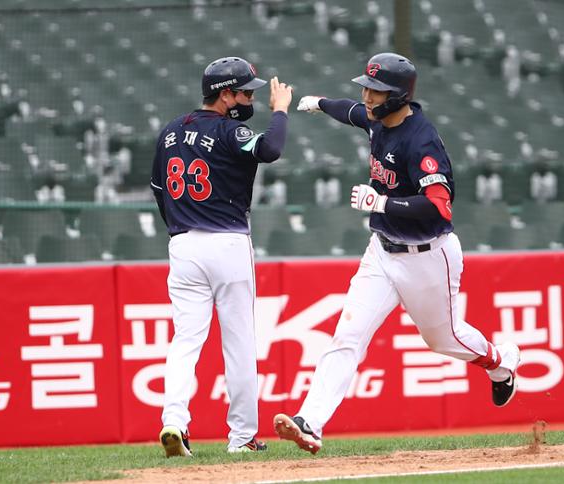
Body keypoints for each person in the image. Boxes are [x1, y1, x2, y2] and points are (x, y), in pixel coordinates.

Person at [273, 53, 521, 454]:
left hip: (427, 255)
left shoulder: (420, 138)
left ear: (399, 96)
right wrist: (319, 103)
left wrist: (382, 203)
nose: (368, 96)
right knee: (347, 335)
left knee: (443, 340)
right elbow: (351, 111)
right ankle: (310, 422)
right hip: (382, 252)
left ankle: (500, 362)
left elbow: (440, 205)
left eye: (377, 90)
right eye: (368, 87)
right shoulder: (376, 118)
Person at [151, 56, 293, 456]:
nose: (250, 97)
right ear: (224, 94)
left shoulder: (170, 132)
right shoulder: (231, 131)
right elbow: (271, 148)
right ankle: (243, 437)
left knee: (185, 341)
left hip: (183, 245)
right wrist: (279, 111)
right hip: (227, 241)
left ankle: (174, 421)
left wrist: (180, 226)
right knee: (240, 343)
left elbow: (158, 190)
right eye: (245, 91)